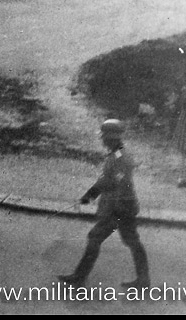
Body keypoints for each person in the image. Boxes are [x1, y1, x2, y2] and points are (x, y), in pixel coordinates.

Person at [59, 119, 150, 289]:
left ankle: (79, 278)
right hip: (121, 207)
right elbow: (107, 180)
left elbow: (113, 182)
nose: (102, 140)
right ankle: (143, 280)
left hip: (120, 209)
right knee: (130, 241)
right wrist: (88, 197)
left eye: (104, 137)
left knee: (97, 238)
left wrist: (89, 196)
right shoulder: (116, 153)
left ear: (111, 138)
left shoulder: (121, 156)